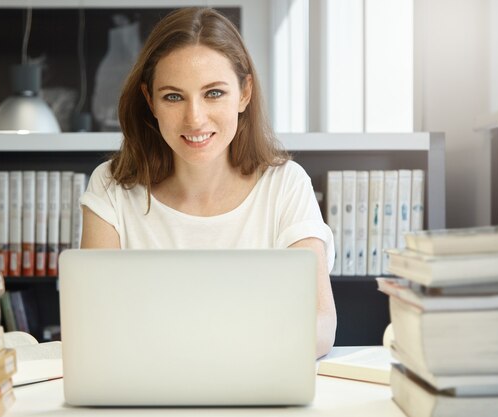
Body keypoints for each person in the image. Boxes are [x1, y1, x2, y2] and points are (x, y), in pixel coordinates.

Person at [80, 7, 337, 357]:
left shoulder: (286, 185)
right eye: (173, 96)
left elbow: (320, 324)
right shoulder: (110, 188)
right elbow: (95, 326)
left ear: (244, 93)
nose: (195, 118)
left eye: (213, 93)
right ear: (150, 101)